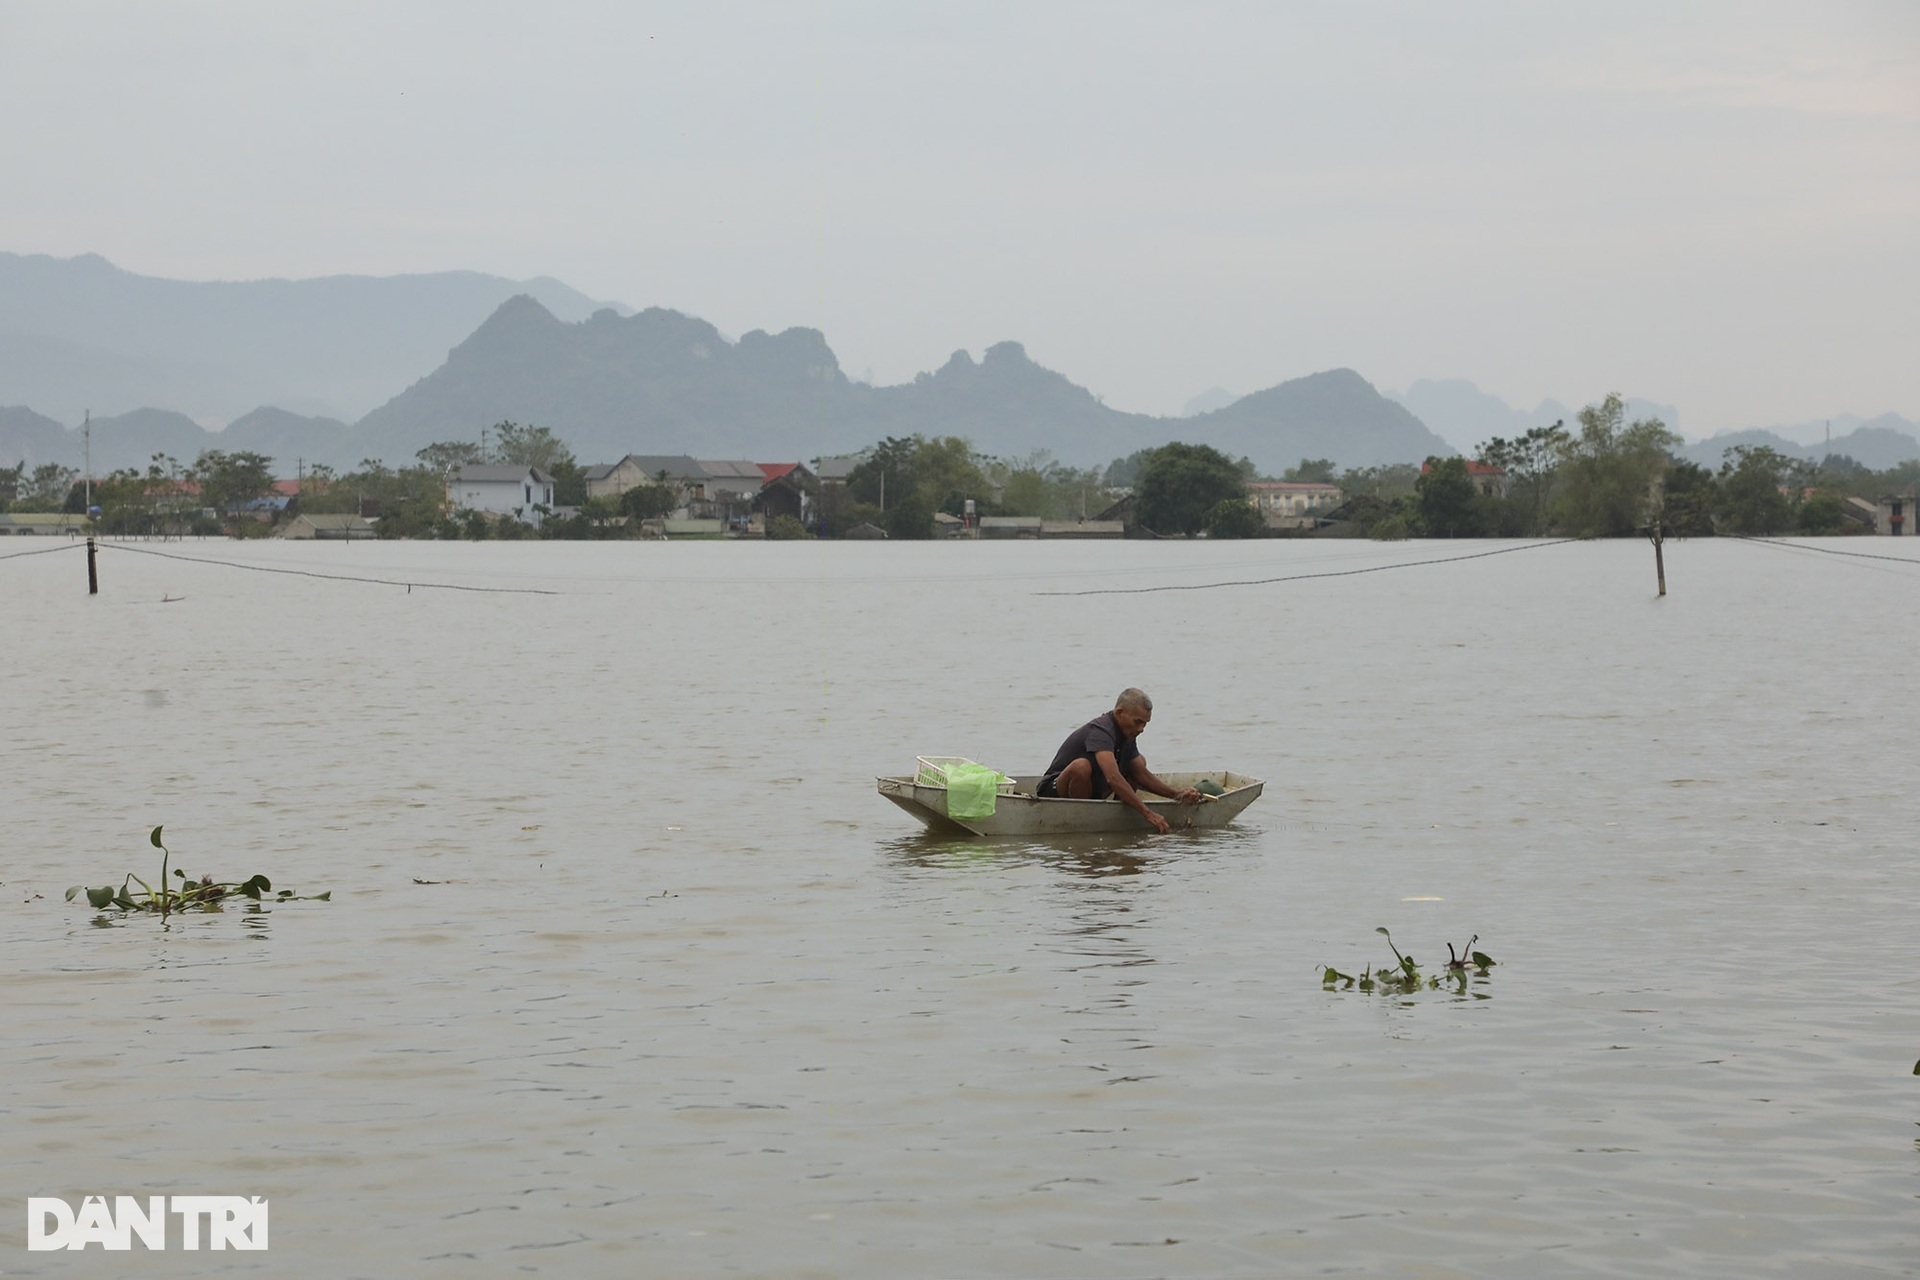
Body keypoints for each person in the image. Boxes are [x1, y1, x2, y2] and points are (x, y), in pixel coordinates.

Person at [1036, 688, 1201, 834]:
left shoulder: (1127, 734)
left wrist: (1177, 794)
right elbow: (1113, 778)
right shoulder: (1102, 731)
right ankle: (1084, 821)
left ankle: (1113, 817)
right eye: (1138, 722)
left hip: (1092, 790)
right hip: (1055, 789)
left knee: (1139, 763)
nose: (1141, 729)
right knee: (1081, 767)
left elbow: (1141, 774)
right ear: (1120, 713)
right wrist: (1148, 814)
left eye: (1145, 723)